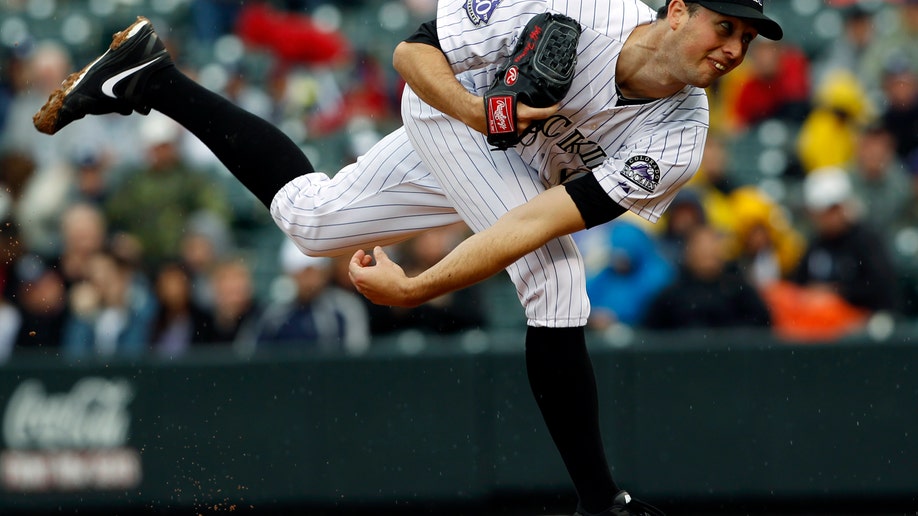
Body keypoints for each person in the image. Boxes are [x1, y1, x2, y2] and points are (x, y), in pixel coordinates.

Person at [33, 1, 783, 514]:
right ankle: (600, 502)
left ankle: (148, 75)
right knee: (557, 285)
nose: (733, 49)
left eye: (747, 41)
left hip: (519, 171)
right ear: (677, 6)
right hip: (451, 112)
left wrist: (416, 285)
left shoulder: (680, 135)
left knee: (313, 221)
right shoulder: (579, 6)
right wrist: (480, 111)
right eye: (726, 25)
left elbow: (534, 220)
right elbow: (410, 52)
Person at [642, 223, 771, 330]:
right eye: (701, 249)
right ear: (689, 253)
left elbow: (762, 326)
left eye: (712, 247)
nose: (708, 253)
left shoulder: (738, 290)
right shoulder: (671, 296)